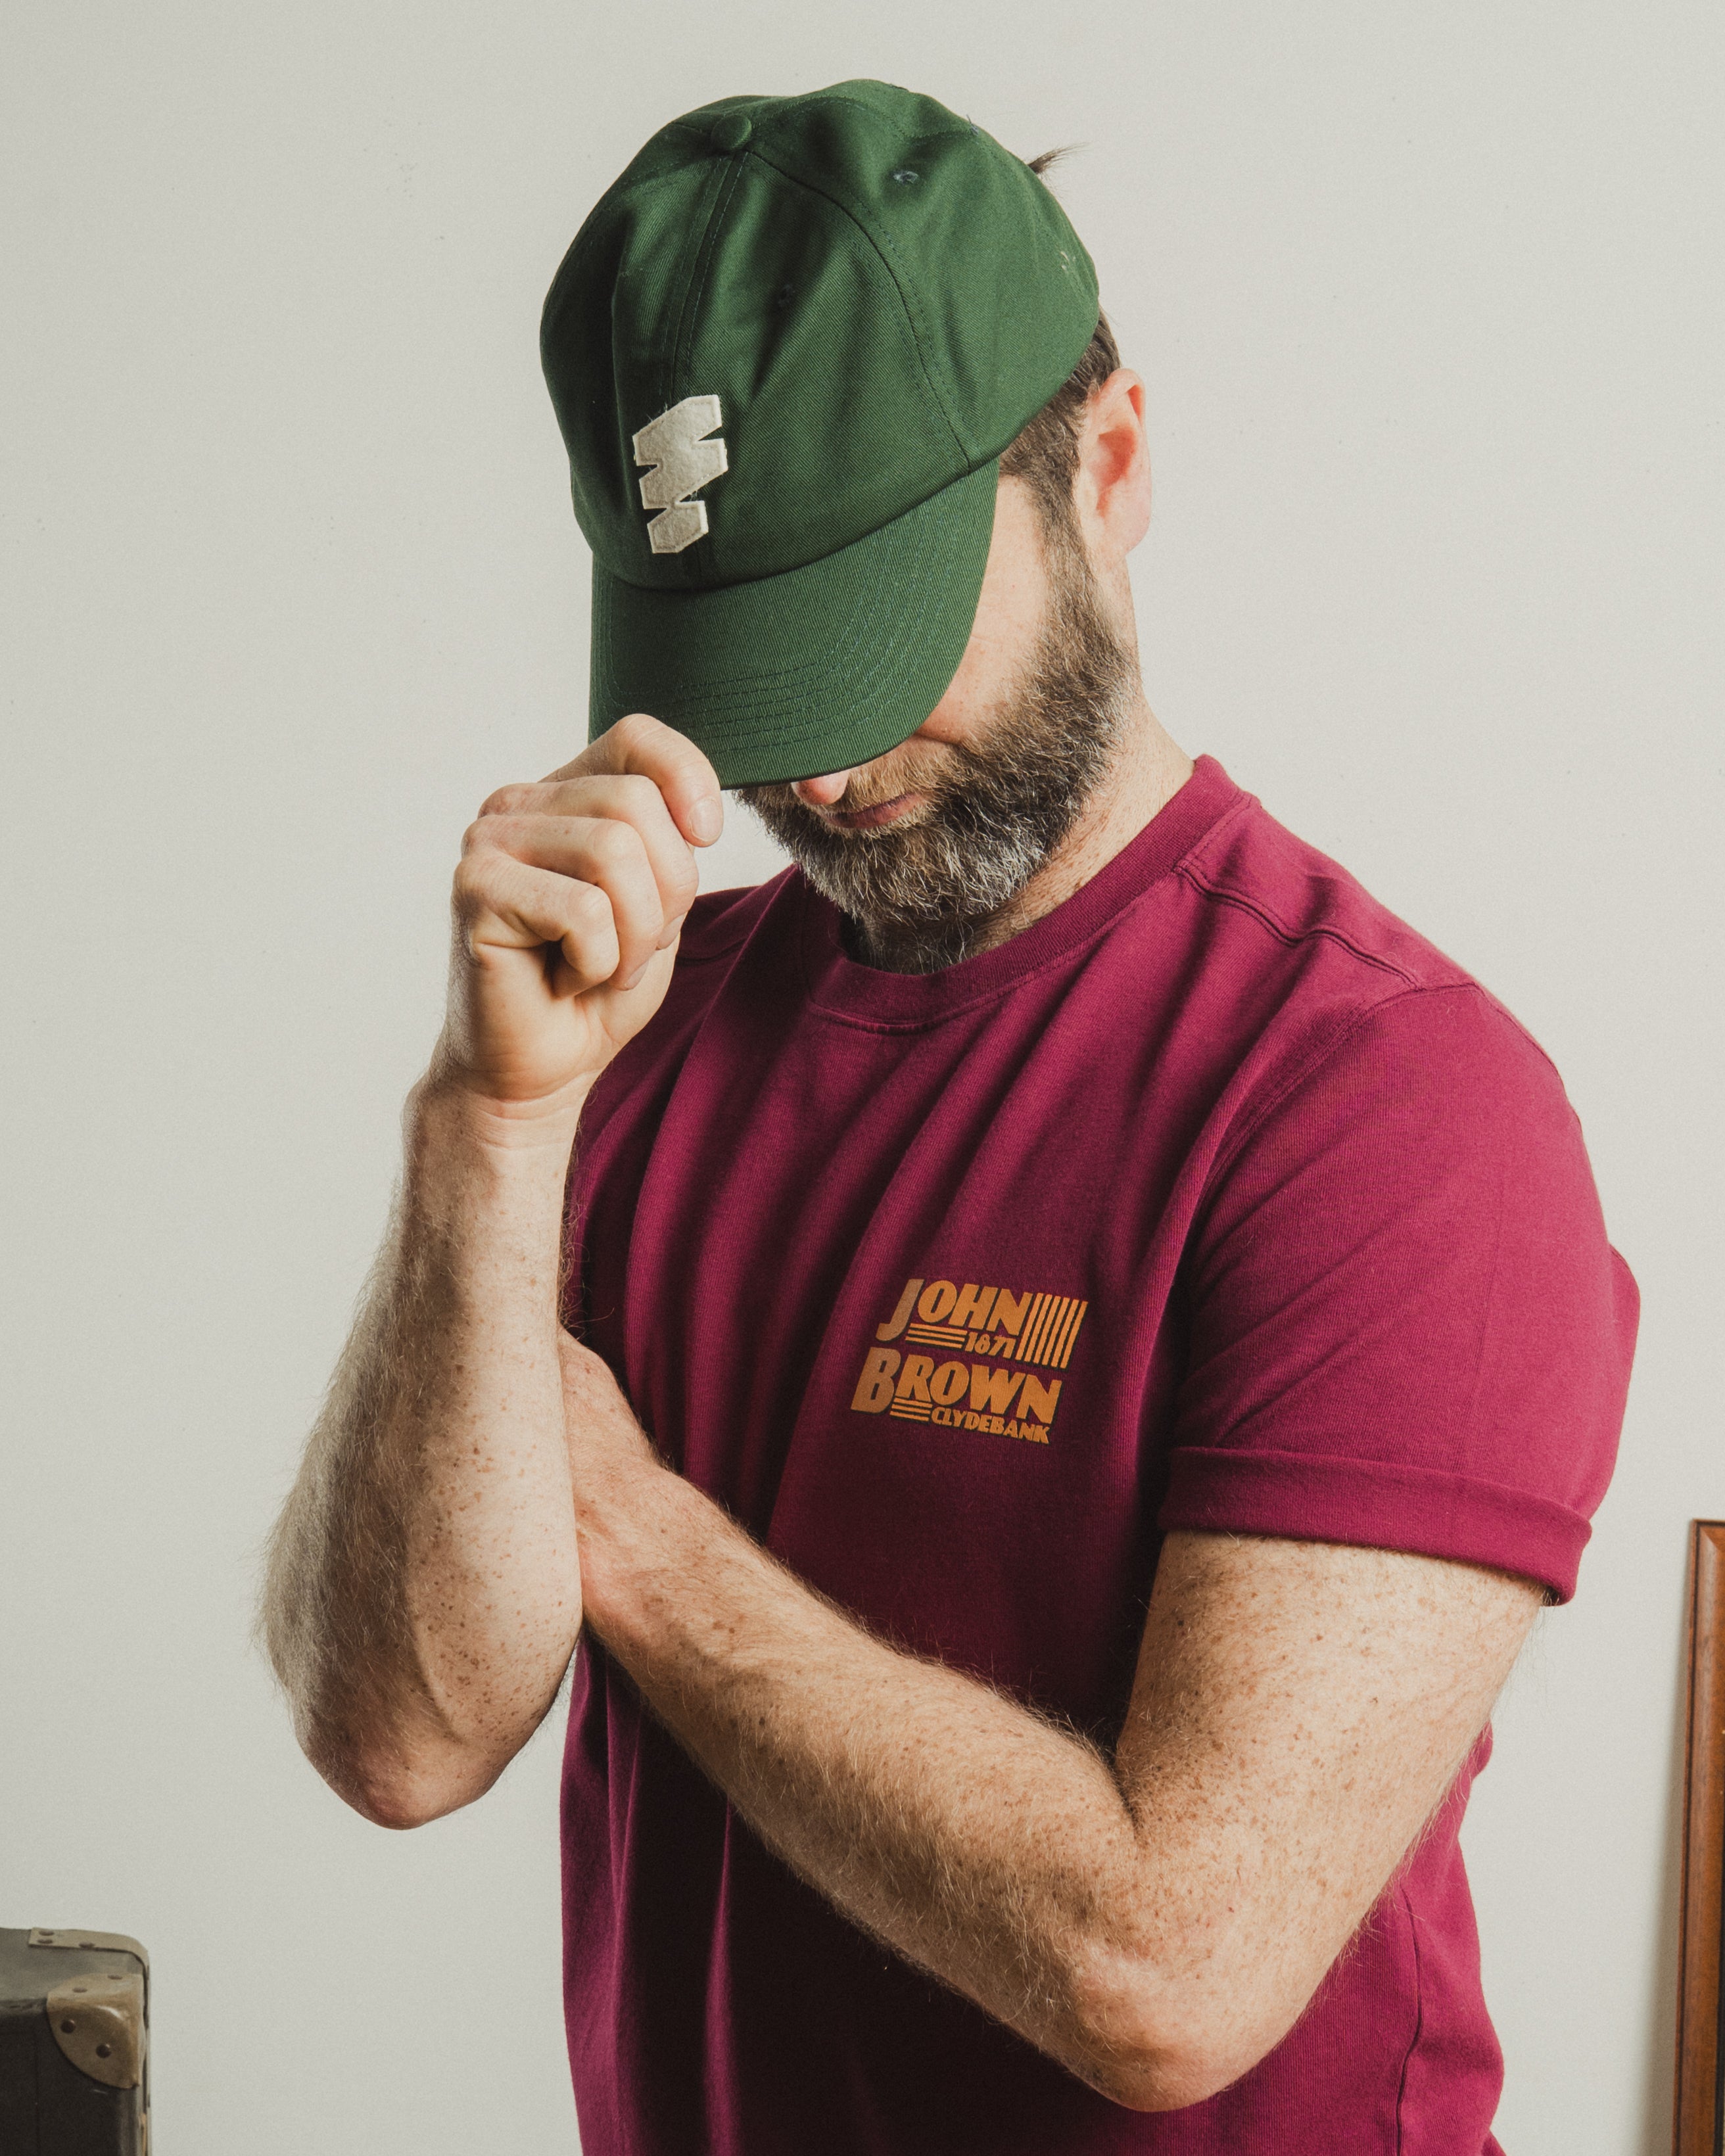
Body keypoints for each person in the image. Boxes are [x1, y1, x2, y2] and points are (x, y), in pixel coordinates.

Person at [261, 80, 1638, 2156]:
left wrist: (628, 1530)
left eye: (876, 636)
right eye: (757, 674)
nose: (814, 779)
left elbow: (1168, 1968)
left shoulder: (1391, 1111)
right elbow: (395, 1735)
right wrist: (478, 1127)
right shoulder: (632, 1033)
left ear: (1111, 468)